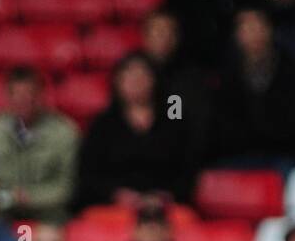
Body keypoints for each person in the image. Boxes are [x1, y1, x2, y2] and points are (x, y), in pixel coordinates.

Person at [77, 53, 203, 209]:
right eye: (129, 76)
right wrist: (116, 195)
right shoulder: (103, 124)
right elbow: (88, 177)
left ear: (155, 80)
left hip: (166, 209)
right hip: (114, 209)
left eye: (142, 75)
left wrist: (166, 196)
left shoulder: (174, 120)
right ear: (117, 82)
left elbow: (189, 171)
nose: (136, 81)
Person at [0, 68, 79, 222]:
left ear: (41, 95)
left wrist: (28, 197)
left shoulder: (64, 133)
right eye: (17, 94)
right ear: (8, 96)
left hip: (48, 210)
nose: (23, 100)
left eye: (29, 94)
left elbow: (68, 186)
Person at [213, 8, 295, 171]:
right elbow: (222, 123)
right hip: (238, 154)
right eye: (247, 28)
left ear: (269, 29)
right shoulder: (226, 75)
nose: (254, 34)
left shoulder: (291, 70)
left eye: (258, 26)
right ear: (237, 35)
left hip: (282, 155)